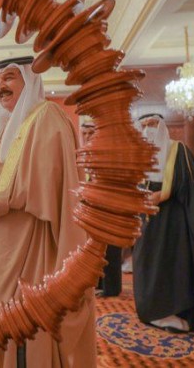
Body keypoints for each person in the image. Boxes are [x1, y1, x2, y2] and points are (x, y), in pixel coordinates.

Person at [0, 56, 96, 367]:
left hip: (33, 249)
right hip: (0, 251)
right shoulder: (3, 131)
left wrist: (3, 200)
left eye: (9, 78)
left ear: (29, 81)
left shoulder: (47, 117)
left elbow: (53, 181)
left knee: (26, 330)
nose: (1, 86)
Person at [133, 113, 194, 332]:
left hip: (173, 222)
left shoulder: (177, 150)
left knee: (171, 265)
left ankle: (173, 313)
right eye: (145, 125)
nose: (149, 128)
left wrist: (163, 194)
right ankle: (151, 311)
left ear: (162, 125)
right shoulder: (139, 153)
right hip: (147, 221)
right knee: (145, 263)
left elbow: (190, 183)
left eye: (153, 123)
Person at [81, 120, 122, 297]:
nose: (87, 137)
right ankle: (98, 284)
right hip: (92, 210)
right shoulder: (84, 154)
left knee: (110, 250)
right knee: (95, 249)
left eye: (91, 133)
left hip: (110, 209)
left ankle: (111, 288)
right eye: (84, 133)